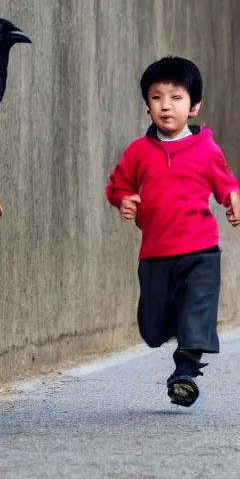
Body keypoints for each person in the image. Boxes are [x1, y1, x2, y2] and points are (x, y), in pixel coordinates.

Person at [105, 56, 240, 407]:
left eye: (176, 97)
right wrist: (124, 200)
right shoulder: (138, 152)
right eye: (156, 97)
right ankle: (175, 338)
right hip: (155, 254)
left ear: (194, 107)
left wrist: (232, 197)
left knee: (197, 311)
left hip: (201, 250)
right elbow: (116, 186)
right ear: (147, 107)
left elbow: (225, 182)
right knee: (152, 330)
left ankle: (185, 372)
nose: (166, 105)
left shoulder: (206, 148)